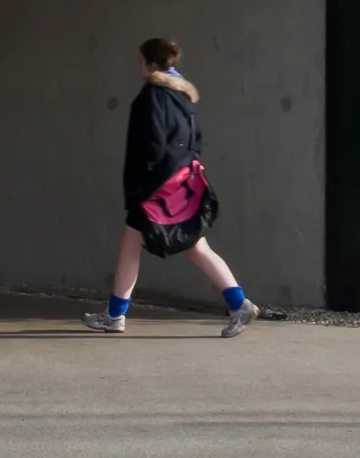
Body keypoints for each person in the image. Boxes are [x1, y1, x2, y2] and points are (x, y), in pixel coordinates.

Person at [82, 38, 259, 337]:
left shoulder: (153, 95)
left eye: (141, 61)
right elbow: (196, 142)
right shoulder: (183, 96)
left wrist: (139, 187)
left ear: (151, 64)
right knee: (187, 244)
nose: (139, 67)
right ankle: (237, 302)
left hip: (155, 187)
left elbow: (150, 144)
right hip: (181, 184)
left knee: (135, 243)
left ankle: (115, 315)